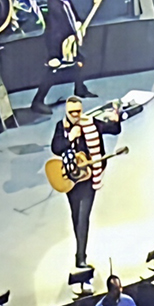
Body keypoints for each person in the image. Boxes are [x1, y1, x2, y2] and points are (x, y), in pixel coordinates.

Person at [51, 94, 123, 271]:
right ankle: (80, 247)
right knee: (76, 216)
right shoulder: (62, 126)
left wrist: (116, 119)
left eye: (78, 111)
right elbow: (56, 147)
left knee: (83, 217)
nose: (75, 115)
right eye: (71, 112)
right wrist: (70, 138)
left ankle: (80, 256)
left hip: (88, 178)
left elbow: (113, 130)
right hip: (71, 177)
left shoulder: (91, 123)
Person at [28, 0, 97, 110]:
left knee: (80, 60)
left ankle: (79, 88)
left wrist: (77, 25)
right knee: (53, 71)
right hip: (59, 42)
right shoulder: (53, 2)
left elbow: (71, 13)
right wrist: (56, 52)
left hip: (69, 39)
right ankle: (38, 101)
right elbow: (56, 29)